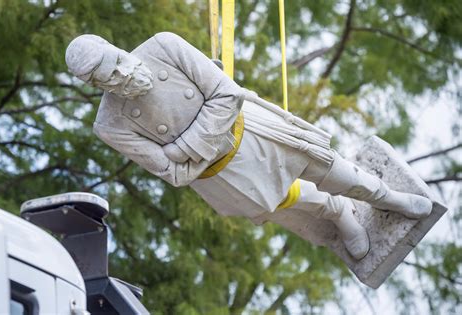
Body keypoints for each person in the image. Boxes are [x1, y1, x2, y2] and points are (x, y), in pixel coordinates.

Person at [65, 32, 433, 260]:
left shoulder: (164, 46)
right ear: (96, 86)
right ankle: (339, 213)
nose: (121, 76)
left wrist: (185, 146)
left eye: (116, 64)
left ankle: (385, 196)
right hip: (219, 175)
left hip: (253, 130)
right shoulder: (109, 124)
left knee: (325, 166)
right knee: (283, 201)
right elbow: (172, 173)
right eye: (107, 79)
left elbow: (227, 94)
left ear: (114, 48)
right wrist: (201, 141)